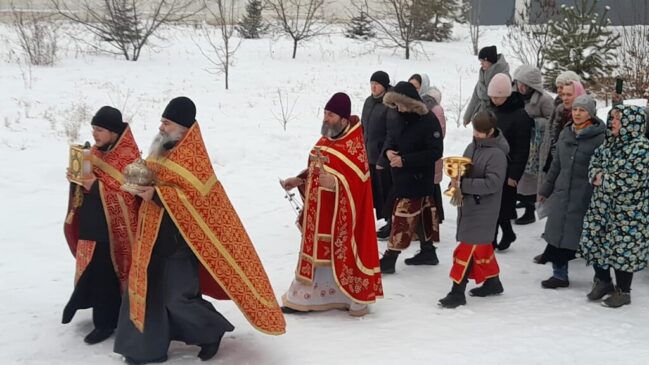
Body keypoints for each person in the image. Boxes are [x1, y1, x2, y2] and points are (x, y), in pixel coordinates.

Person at [114, 97, 285, 364]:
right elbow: (150, 179)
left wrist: (157, 195)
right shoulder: (161, 151)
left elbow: (195, 200)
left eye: (167, 123)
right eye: (162, 121)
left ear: (183, 128)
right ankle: (144, 349)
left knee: (176, 299)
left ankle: (212, 331)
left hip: (180, 243)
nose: (161, 127)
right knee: (146, 292)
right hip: (150, 237)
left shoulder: (193, 160)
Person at [280, 92, 383, 316]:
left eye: (331, 115)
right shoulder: (327, 138)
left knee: (340, 255)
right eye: (325, 113)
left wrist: (337, 183)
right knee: (315, 254)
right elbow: (316, 167)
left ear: (344, 120)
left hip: (340, 218)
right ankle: (304, 298)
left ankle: (351, 298)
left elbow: (360, 183)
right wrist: (299, 179)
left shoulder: (354, 147)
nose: (326, 118)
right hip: (320, 214)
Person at [62, 106, 140, 344]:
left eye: (100, 129)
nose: (95, 133)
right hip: (91, 224)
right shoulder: (94, 153)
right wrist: (76, 179)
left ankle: (105, 323)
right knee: (93, 272)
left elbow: (128, 198)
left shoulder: (129, 158)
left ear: (114, 132)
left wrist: (94, 186)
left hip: (112, 232)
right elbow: (88, 184)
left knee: (106, 275)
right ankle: (100, 311)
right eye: (93, 128)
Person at [578, 105, 649, 307]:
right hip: (601, 206)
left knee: (622, 250)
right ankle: (603, 281)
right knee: (595, 241)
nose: (613, 122)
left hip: (628, 213)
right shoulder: (609, 143)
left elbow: (631, 178)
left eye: (618, 118)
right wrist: (595, 175)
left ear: (631, 122)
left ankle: (623, 291)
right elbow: (594, 163)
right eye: (612, 118)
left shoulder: (641, 148)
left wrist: (604, 179)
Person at [439, 111, 508, 308]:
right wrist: (455, 181)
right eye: (475, 130)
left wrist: (464, 185)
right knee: (482, 246)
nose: (476, 134)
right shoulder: (472, 146)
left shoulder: (497, 155)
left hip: (484, 209)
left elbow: (492, 184)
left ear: (490, 131)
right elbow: (463, 171)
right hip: (469, 205)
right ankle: (493, 282)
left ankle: (457, 292)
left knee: (466, 249)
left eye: (480, 132)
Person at [537, 95, 606, 289]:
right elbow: (556, 165)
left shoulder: (601, 138)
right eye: (575, 109)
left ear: (591, 114)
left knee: (589, 238)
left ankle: (601, 278)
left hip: (586, 196)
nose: (577, 113)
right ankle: (559, 275)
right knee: (557, 235)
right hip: (562, 194)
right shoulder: (566, 133)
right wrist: (545, 189)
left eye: (582, 110)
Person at [378, 82, 444, 273]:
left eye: (400, 104)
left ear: (409, 102)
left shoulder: (429, 120)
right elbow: (391, 137)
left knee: (402, 217)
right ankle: (428, 251)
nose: (397, 108)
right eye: (395, 105)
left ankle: (390, 258)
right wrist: (388, 152)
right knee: (423, 215)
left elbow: (435, 151)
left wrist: (405, 160)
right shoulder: (398, 115)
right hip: (400, 176)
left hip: (418, 178)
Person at [534, 79, 586, 264]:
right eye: (562, 94)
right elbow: (550, 139)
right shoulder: (559, 113)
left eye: (569, 94)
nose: (564, 98)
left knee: (566, 213)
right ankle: (555, 248)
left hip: (575, 175)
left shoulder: (583, 117)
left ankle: (559, 251)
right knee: (556, 211)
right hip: (557, 164)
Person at [486, 73, 532, 251]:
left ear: (506, 94)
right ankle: (506, 233)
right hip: (491, 166)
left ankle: (494, 238)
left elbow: (522, 148)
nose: (494, 99)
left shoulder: (520, 116)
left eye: (497, 96)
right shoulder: (492, 111)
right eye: (492, 96)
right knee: (494, 206)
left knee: (502, 206)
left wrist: (514, 174)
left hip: (508, 166)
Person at [512, 65, 554, 225]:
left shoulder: (545, 100)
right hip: (520, 141)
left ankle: (530, 211)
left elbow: (552, 121)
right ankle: (522, 199)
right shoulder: (516, 96)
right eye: (519, 83)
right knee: (519, 174)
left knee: (530, 178)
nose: (521, 87)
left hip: (536, 146)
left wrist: (534, 122)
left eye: (525, 84)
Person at [361, 71, 394, 240]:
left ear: (385, 85)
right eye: (371, 83)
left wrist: (383, 156)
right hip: (369, 154)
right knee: (376, 193)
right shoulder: (368, 101)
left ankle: (393, 223)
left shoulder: (390, 103)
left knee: (387, 191)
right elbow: (363, 127)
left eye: (377, 83)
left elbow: (391, 133)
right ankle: (387, 221)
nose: (373, 86)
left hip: (383, 157)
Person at [463, 45, 510, 126]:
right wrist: (467, 116)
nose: (481, 64)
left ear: (490, 60)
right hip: (482, 116)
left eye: (483, 61)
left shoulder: (503, 76)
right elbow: (475, 96)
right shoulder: (483, 75)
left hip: (497, 118)